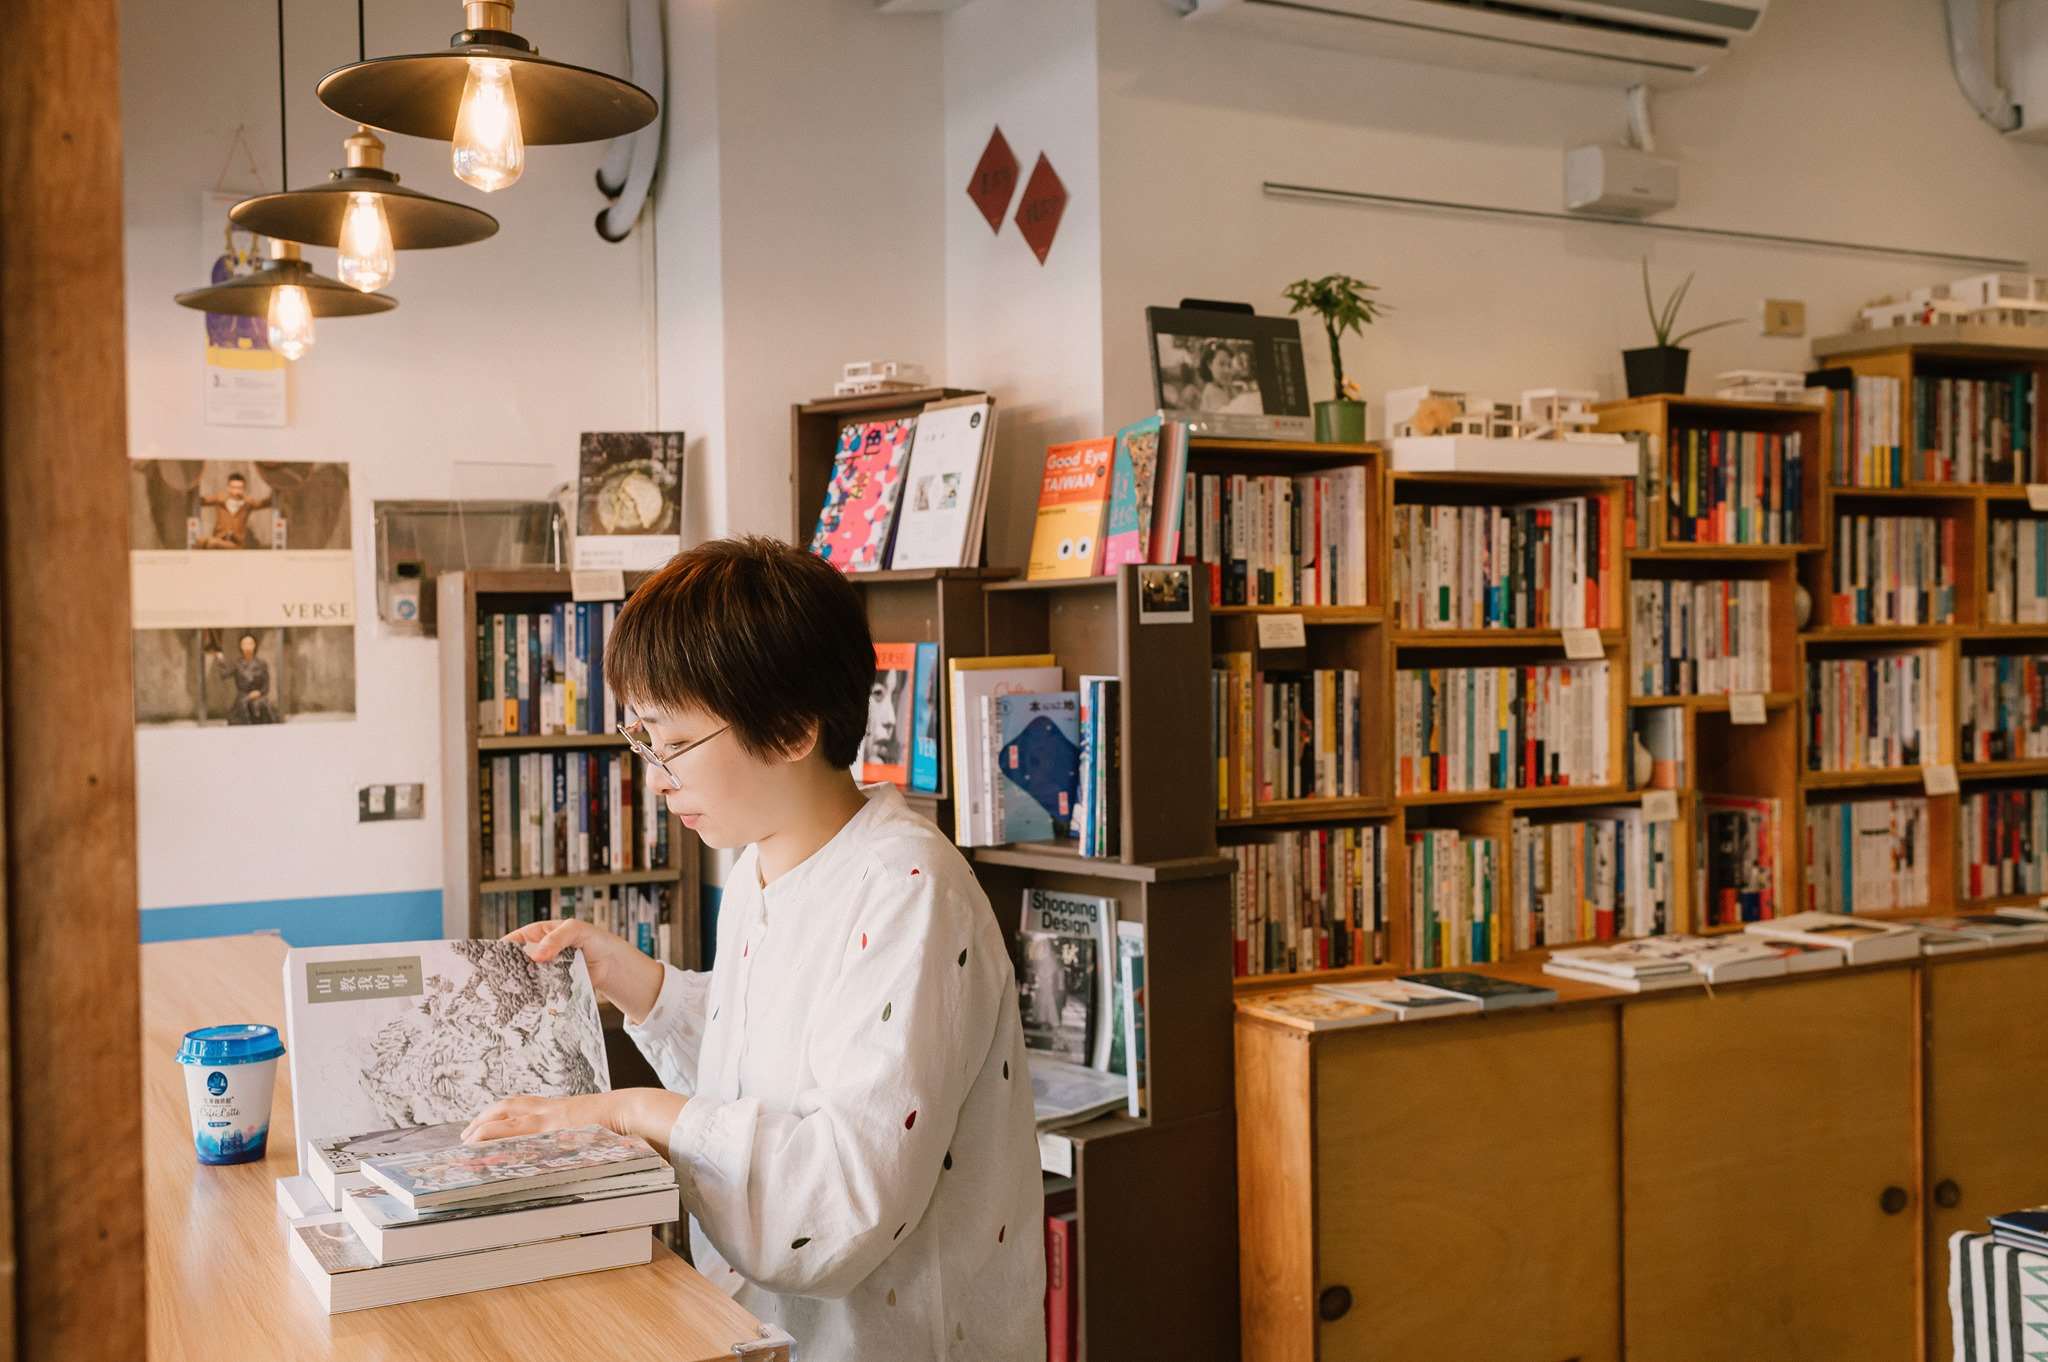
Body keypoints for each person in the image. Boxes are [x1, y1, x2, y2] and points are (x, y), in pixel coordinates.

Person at [464, 536, 1044, 1361]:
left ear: (793, 729)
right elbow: (765, 1069)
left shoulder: (910, 891)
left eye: (674, 743)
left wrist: (630, 1111)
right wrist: (640, 984)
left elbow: (835, 1210)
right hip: (764, 1329)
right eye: (642, 737)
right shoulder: (759, 864)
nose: (655, 777)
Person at [206, 631, 279, 724]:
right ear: (240, 646)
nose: (248, 646)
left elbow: (266, 685)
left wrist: (259, 692)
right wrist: (220, 659)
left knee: (263, 709)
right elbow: (224, 674)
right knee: (243, 713)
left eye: (250, 643)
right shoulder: (237, 664)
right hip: (243, 699)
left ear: (255, 645)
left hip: (260, 699)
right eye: (244, 644)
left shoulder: (261, 664)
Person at [195, 471, 271, 549]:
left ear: (244, 489)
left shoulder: (248, 502)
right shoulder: (220, 498)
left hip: (236, 543)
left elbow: (264, 503)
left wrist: (273, 485)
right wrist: (194, 484)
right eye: (233, 487)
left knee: (212, 543)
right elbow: (201, 501)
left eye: (239, 488)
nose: (236, 491)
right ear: (228, 488)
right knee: (199, 542)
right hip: (219, 538)